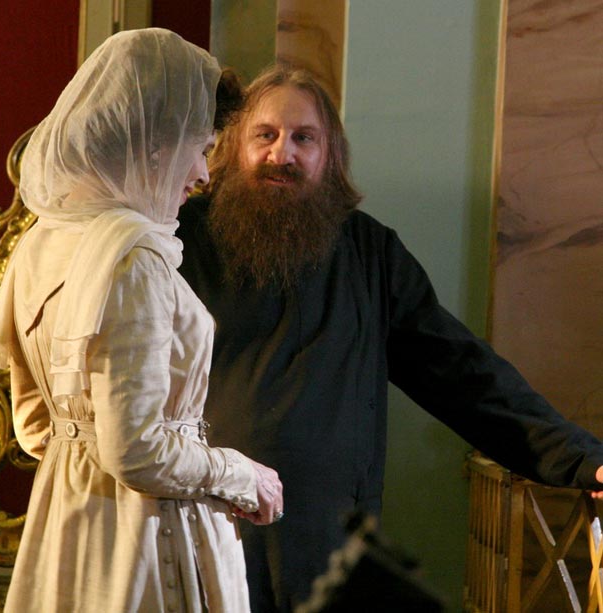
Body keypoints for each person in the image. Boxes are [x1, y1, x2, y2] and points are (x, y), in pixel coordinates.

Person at [176, 64, 603, 612]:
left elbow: (463, 374)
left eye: (304, 138)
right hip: (203, 530)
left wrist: (581, 457)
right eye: (266, 135)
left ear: (330, 155)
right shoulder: (181, 240)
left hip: (328, 547)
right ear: (234, 144)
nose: (283, 154)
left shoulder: (370, 254)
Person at [0, 29, 283, 613]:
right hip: (146, 538)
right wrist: (242, 475)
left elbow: (35, 426)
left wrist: (83, 472)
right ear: (155, 145)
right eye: (199, 146)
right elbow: (138, 450)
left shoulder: (40, 243)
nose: (203, 172)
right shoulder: (131, 258)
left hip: (67, 529)